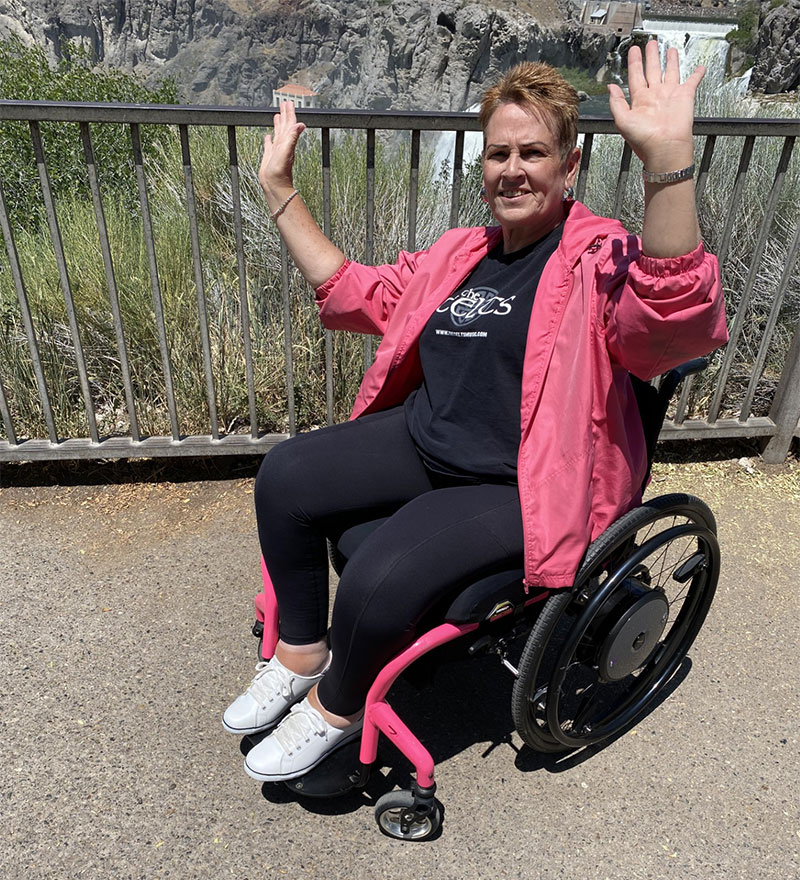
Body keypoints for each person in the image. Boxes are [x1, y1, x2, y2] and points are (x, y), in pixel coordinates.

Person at [223, 43, 728, 783]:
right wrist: (279, 190)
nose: (513, 169)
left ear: (570, 163)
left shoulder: (600, 257)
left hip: (519, 483)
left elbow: (672, 318)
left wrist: (667, 166)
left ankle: (337, 710)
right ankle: (303, 654)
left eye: (533, 152)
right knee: (287, 476)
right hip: (430, 444)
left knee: (378, 575)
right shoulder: (459, 254)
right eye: (498, 154)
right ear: (482, 165)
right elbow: (353, 293)